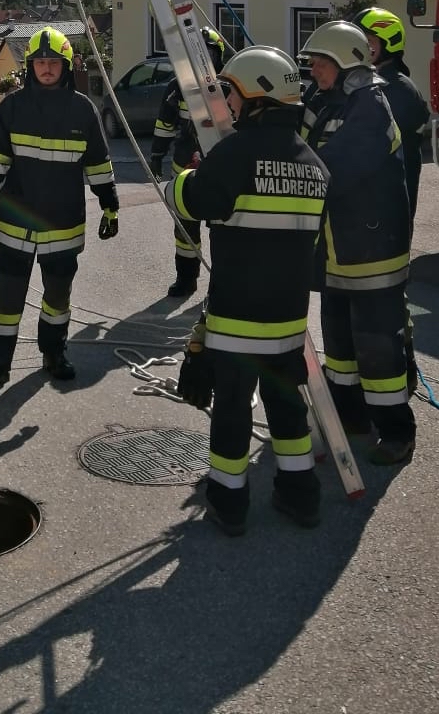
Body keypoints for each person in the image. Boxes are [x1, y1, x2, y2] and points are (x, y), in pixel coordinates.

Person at [172, 46, 330, 535]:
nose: (230, 106)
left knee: (233, 412)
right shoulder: (314, 164)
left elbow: (195, 201)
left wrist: (183, 178)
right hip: (287, 321)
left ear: (255, 95)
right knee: (286, 408)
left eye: (233, 94)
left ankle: (229, 500)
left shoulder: (235, 153)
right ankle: (300, 494)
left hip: (236, 317)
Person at [0, 26, 119, 396]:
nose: (47, 68)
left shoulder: (83, 110)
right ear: (31, 67)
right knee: (5, 299)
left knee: (57, 297)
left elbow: (98, 163)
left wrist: (110, 205)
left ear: (66, 66)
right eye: (40, 62)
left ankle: (54, 354)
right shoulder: (12, 108)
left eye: (54, 62)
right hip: (15, 223)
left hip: (63, 223)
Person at [299, 20, 416, 466]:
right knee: (341, 349)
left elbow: (333, 169)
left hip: (371, 254)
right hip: (336, 254)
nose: (313, 70)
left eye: (320, 62)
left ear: (346, 63)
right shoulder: (324, 100)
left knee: (377, 348)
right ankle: (350, 418)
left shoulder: (371, 107)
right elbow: (295, 138)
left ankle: (396, 432)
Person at [150, 26, 229, 299]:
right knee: (184, 231)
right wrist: (157, 156)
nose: (201, 59)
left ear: (218, 56)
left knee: (223, 233)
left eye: (207, 53)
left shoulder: (229, 88)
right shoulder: (177, 87)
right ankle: (186, 280)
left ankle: (221, 287)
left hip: (221, 174)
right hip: (183, 169)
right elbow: (164, 125)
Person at [353, 6, 429, 228]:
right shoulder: (374, 81)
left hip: (389, 204)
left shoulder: (399, 88)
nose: (361, 49)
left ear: (388, 43)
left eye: (368, 42)